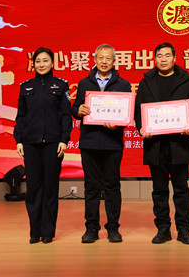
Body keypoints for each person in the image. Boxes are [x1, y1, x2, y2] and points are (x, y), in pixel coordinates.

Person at [134, 42, 189, 245]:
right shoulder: (146, 81)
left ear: (174, 58)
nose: (163, 59)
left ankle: (183, 229)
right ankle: (163, 228)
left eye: (167, 55)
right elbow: (139, 109)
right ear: (155, 59)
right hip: (155, 144)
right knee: (159, 190)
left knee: (181, 189)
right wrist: (141, 128)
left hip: (179, 143)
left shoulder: (186, 80)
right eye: (159, 56)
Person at [71, 44, 132, 243]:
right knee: (91, 187)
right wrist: (78, 110)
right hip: (89, 142)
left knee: (112, 186)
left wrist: (118, 123)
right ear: (95, 60)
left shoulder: (123, 85)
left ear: (114, 61)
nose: (104, 61)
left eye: (108, 58)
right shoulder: (84, 83)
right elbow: (75, 108)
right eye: (100, 58)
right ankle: (91, 228)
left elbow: (128, 114)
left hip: (112, 143)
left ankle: (113, 228)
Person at [14, 47, 73, 244]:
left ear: (52, 63)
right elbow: (21, 116)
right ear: (33, 64)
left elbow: (66, 115)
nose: (41, 64)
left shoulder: (61, 85)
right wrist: (19, 140)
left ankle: (48, 232)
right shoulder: (25, 87)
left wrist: (64, 139)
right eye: (38, 61)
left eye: (45, 60)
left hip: (53, 145)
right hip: (30, 144)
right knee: (33, 189)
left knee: (50, 189)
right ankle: (34, 231)